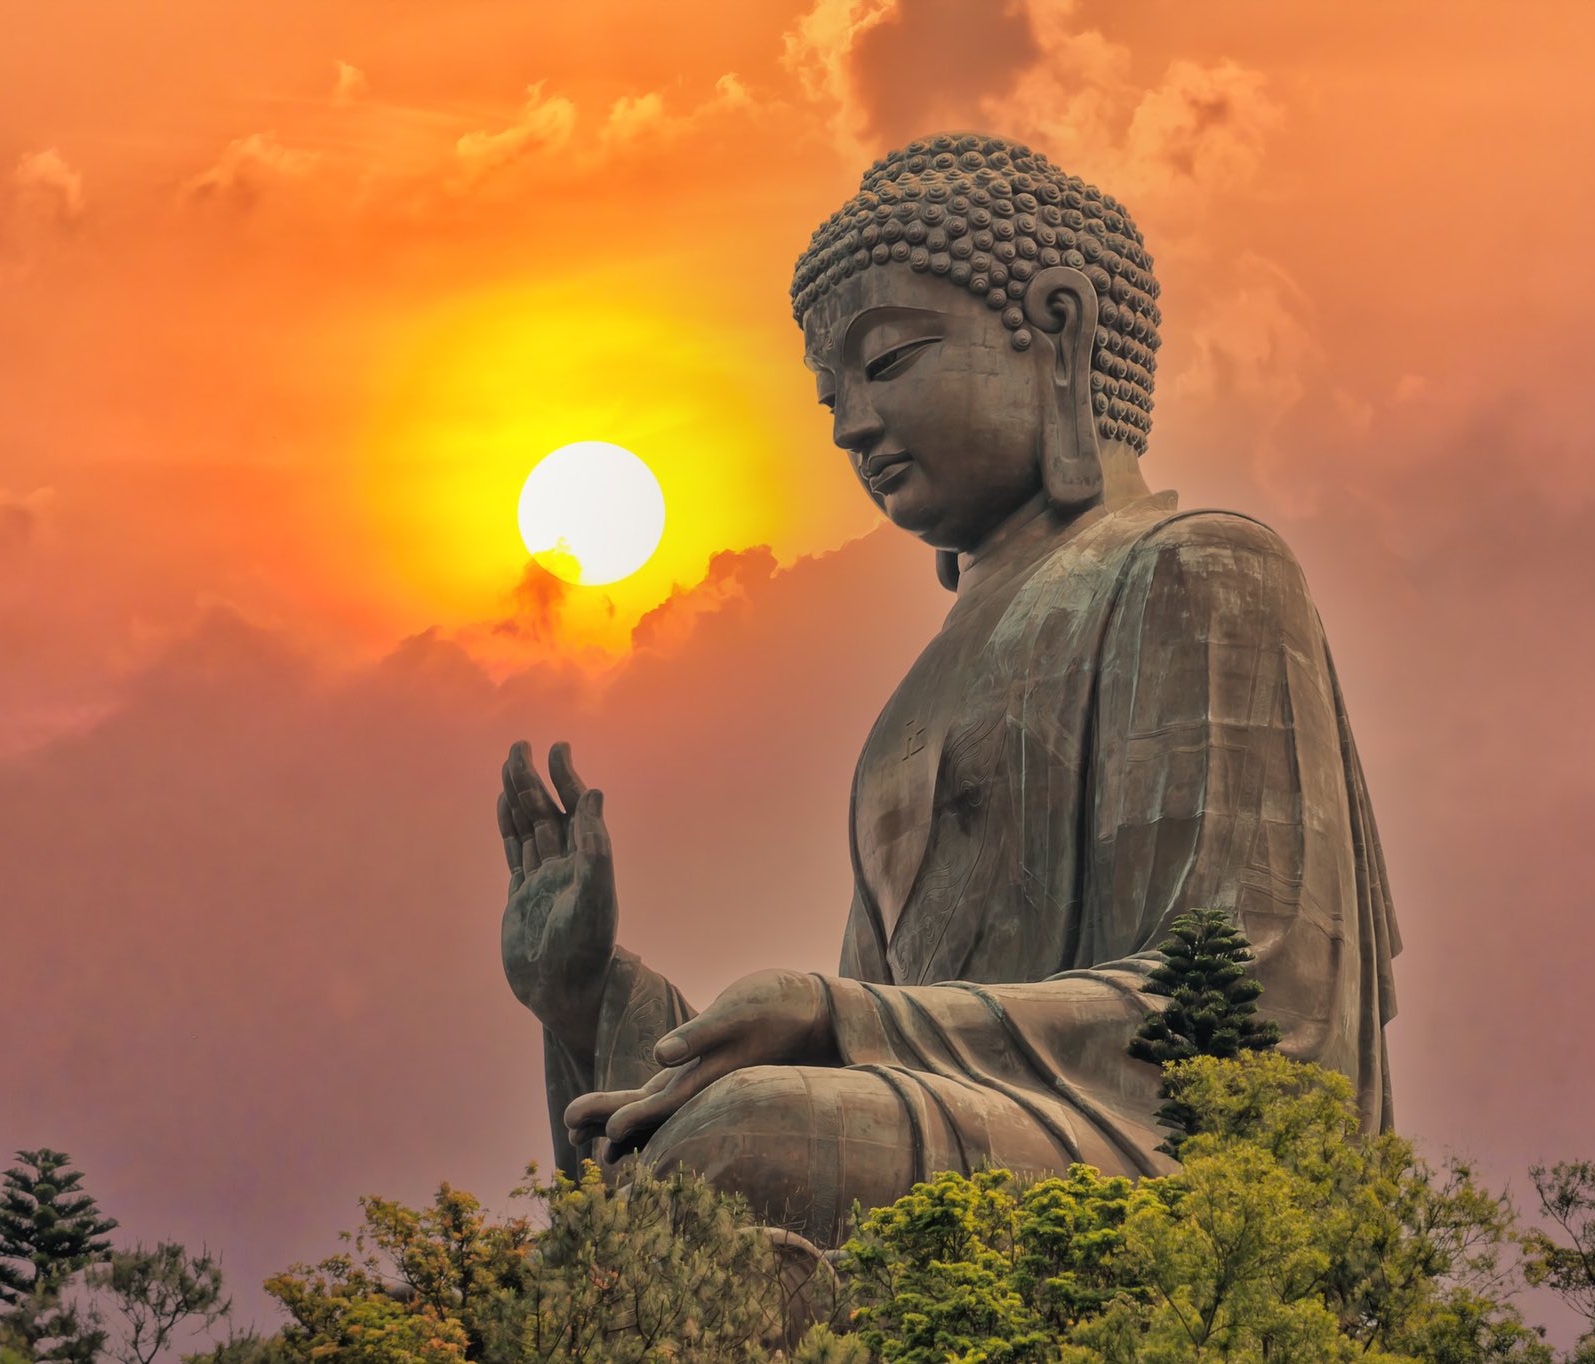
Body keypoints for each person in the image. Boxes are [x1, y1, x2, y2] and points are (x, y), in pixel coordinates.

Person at [496, 132, 1400, 1246]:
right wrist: (588, 994)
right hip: (978, 1118)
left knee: (740, 1143)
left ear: (1058, 333)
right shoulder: (919, 695)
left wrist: (839, 1017)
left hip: (1159, 1154)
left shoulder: (1200, 567)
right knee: (692, 1144)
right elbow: (858, 1050)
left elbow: (1249, 1006)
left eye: (886, 363)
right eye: (829, 396)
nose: (849, 425)